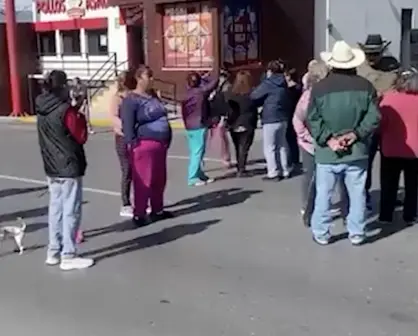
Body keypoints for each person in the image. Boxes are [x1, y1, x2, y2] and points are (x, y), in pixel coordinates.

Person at [308, 41, 380, 246]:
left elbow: (312, 118)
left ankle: (321, 232)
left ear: (332, 64)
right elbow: (374, 117)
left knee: (325, 195)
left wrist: (329, 139)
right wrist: (356, 135)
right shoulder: (366, 86)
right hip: (357, 150)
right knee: (357, 194)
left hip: (327, 152)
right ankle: (356, 232)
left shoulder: (320, 88)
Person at [36, 70, 94, 270]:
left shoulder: (42, 107)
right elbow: (80, 135)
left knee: (56, 208)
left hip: (51, 163)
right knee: (71, 209)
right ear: (62, 87)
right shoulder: (65, 110)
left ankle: (53, 250)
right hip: (68, 163)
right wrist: (78, 113)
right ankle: (68, 254)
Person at [120, 65, 173, 226]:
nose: (151, 79)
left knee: (159, 179)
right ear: (139, 78)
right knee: (144, 180)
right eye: (148, 76)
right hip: (143, 145)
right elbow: (127, 125)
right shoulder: (131, 100)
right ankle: (140, 213)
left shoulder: (152, 97)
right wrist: (132, 144)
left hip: (160, 145)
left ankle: (157, 209)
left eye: (152, 76)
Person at [357, 34, 400, 210]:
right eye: (369, 54)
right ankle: (363, 195)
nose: (372, 57)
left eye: (375, 53)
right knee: (365, 161)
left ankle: (388, 196)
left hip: (391, 122)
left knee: (390, 163)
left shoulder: (392, 67)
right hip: (368, 122)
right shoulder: (359, 69)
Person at [379, 70, 418, 225]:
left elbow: (380, 123)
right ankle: (410, 214)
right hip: (415, 150)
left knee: (388, 183)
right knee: (412, 185)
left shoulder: (388, 99)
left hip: (390, 147)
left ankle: (385, 215)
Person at [293, 61, 329, 225]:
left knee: (313, 177)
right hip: (312, 143)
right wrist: (308, 137)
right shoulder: (308, 96)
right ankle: (309, 209)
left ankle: (311, 208)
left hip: (319, 141)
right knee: (312, 176)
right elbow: (298, 120)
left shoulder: (317, 93)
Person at [250, 60, 291, 181]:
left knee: (269, 147)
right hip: (283, 116)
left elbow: (254, 95)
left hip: (270, 117)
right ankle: (285, 170)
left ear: (270, 71)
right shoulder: (284, 83)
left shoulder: (269, 83)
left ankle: (273, 172)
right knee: (282, 145)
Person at [181, 71, 218, 186]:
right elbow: (214, 83)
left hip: (189, 125)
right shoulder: (200, 92)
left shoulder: (186, 94)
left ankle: (199, 173)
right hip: (199, 124)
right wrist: (206, 78)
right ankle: (192, 177)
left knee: (196, 150)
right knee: (197, 152)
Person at [109, 71, 136, 217]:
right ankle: (125, 203)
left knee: (138, 170)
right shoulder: (117, 98)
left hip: (135, 137)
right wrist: (127, 126)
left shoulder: (132, 96)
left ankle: (140, 200)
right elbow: (113, 117)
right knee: (127, 170)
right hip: (122, 138)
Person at [225, 70, 258, 177]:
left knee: (237, 146)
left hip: (234, 122)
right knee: (244, 147)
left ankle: (240, 167)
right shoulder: (252, 94)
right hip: (247, 122)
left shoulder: (230, 92)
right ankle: (241, 169)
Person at [206, 68, 232, 168]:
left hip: (221, 115)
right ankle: (224, 157)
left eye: (223, 76)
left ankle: (226, 158)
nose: (221, 78)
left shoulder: (227, 87)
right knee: (218, 138)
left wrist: (224, 117)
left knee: (222, 137)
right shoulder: (216, 88)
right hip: (214, 115)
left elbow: (226, 104)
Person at [285, 67, 303, 168]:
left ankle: (291, 159)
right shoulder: (299, 87)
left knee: (289, 138)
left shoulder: (290, 89)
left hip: (290, 113)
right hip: (296, 113)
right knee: (292, 138)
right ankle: (294, 159)